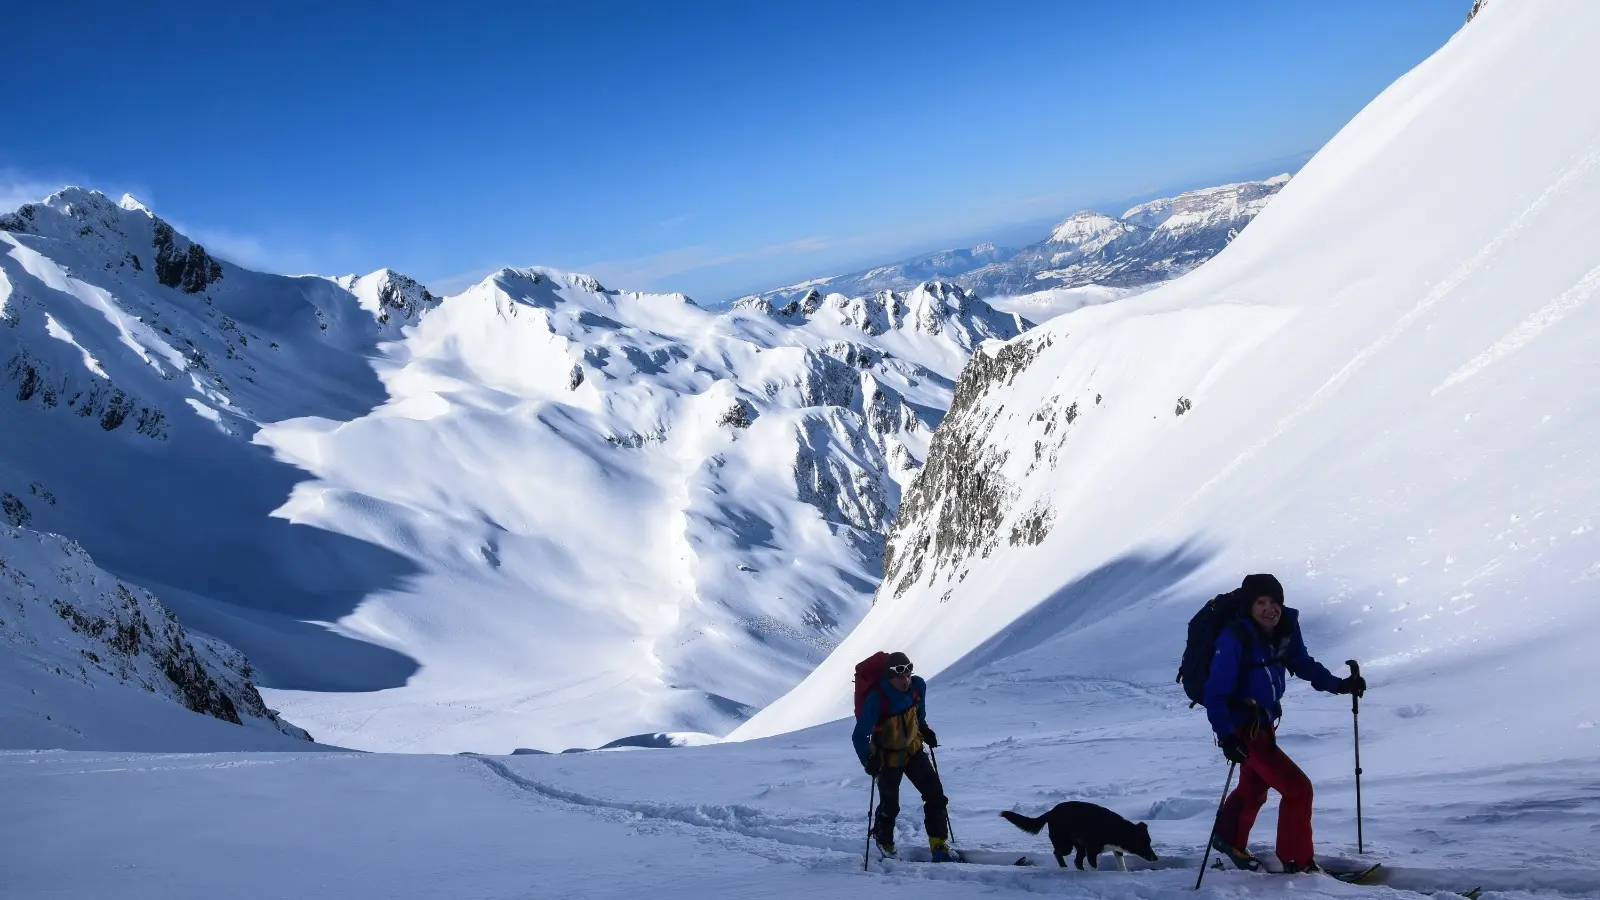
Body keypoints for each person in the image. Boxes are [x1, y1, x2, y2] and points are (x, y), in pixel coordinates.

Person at [1203, 574, 1366, 874]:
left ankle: (1228, 838)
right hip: (1244, 729)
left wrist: (1339, 685)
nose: (1270, 609)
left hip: (1264, 724)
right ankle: (1297, 861)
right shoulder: (1234, 637)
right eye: (1261, 603)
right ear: (1249, 605)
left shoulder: (1285, 630)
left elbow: (1303, 663)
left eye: (1275, 602)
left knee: (1253, 789)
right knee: (1298, 789)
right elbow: (1215, 694)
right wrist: (1227, 736)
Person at [853, 651, 954, 862]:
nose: (906, 680)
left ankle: (938, 845)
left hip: (914, 751)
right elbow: (859, 735)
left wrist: (924, 729)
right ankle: (884, 840)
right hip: (887, 758)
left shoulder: (918, 687)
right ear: (889, 677)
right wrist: (868, 760)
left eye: (908, 674)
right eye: (900, 676)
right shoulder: (877, 699)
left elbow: (919, 714)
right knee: (890, 806)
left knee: (935, 795)